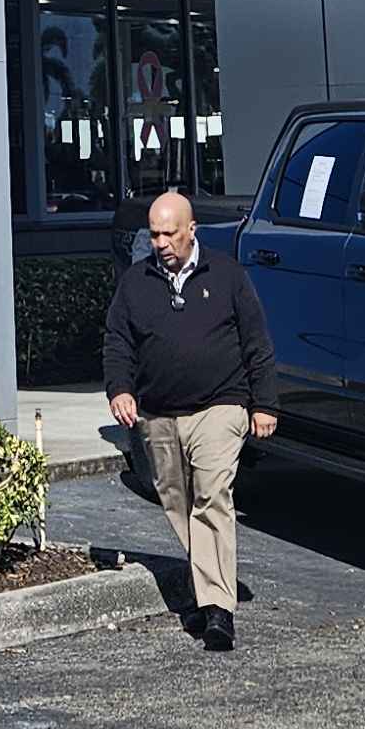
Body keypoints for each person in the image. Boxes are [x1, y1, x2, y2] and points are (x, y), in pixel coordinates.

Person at [102, 185, 278, 650]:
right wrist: (120, 389)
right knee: (176, 501)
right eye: (154, 234)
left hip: (220, 404)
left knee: (212, 494)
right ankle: (207, 585)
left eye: (169, 234)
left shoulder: (227, 274)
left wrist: (264, 403)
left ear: (192, 230)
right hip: (158, 412)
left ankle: (218, 609)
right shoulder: (135, 282)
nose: (160, 243)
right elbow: (118, 341)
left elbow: (256, 342)